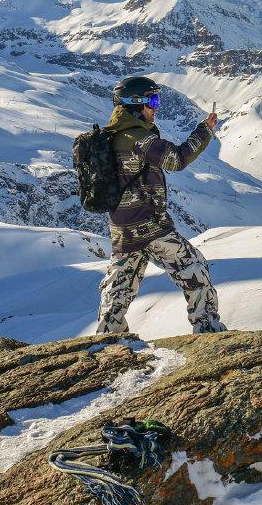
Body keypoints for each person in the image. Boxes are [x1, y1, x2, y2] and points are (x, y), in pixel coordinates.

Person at [96, 75, 228, 335]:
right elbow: (176, 159)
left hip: (122, 227)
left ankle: (108, 338)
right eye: (152, 100)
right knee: (194, 270)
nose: (156, 107)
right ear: (134, 103)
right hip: (149, 225)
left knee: (120, 286)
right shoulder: (136, 137)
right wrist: (205, 130)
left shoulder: (111, 136)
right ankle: (208, 329)